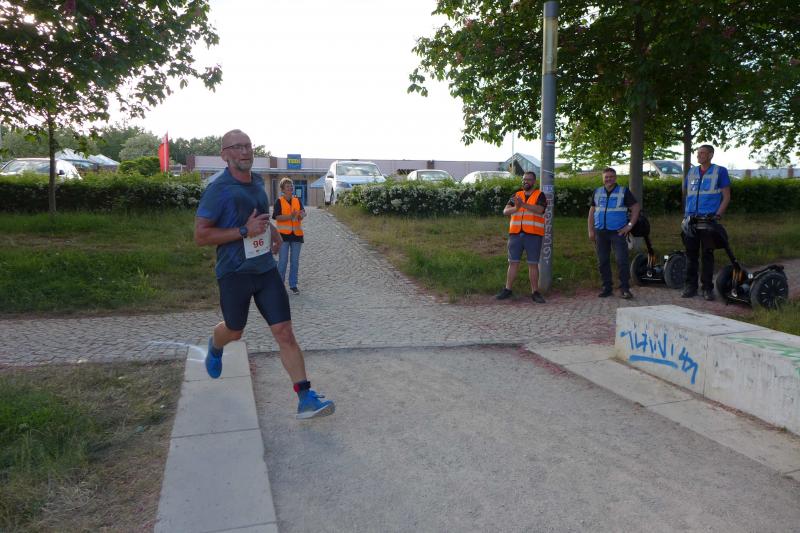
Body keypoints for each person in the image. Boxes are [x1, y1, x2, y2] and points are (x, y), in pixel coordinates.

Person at [194, 129, 334, 420]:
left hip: (265, 270)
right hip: (234, 273)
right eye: (237, 147)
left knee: (285, 333)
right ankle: (216, 345)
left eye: (248, 145)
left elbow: (260, 217)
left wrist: (272, 232)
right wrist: (244, 231)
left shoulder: (258, 182)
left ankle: (305, 398)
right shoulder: (217, 190)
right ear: (224, 155)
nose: (245, 151)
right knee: (235, 330)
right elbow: (201, 235)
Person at [681, 144, 731, 301]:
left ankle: (707, 288)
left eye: (702, 153)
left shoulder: (720, 171)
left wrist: (718, 215)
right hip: (691, 220)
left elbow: (727, 196)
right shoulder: (692, 172)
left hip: (709, 220)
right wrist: (686, 214)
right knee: (691, 255)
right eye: (698, 153)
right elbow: (687, 193)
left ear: (710, 155)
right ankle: (690, 287)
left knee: (707, 255)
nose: (699, 155)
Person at [587, 167, 641, 299]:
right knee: (603, 261)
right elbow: (592, 212)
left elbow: (636, 208)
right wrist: (590, 230)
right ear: (603, 178)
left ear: (615, 178)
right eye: (606, 177)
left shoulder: (623, 191)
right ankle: (607, 288)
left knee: (622, 260)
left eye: (611, 177)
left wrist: (629, 226)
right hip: (601, 232)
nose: (608, 179)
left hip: (618, 232)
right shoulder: (597, 191)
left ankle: (625, 289)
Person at [495, 171, 547, 303]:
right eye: (524, 179)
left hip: (533, 234)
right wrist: (516, 208)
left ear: (534, 182)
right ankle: (508, 289)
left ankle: (535, 292)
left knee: (533, 264)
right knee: (513, 262)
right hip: (516, 234)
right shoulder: (516, 195)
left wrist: (522, 205)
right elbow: (505, 211)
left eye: (528, 179)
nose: (525, 181)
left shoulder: (540, 195)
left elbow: (540, 210)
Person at [273, 177, 306, 294]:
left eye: (291, 186)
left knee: (295, 262)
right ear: (282, 189)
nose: (290, 188)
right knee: (282, 262)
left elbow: (302, 213)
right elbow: (277, 217)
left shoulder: (297, 200)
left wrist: (302, 215)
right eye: (288, 186)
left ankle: (293, 285)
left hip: (297, 235)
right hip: (283, 236)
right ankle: (279, 286)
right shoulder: (279, 201)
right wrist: (290, 216)